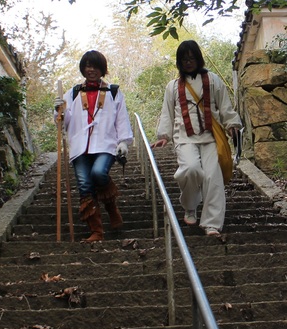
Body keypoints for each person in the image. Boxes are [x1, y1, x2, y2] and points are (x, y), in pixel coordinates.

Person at [151, 40, 241, 237]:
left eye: (191, 58)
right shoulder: (172, 86)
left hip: (210, 138)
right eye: (184, 59)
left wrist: (232, 125)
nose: (188, 62)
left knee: (212, 178)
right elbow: (167, 112)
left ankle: (212, 224)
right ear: (179, 62)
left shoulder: (214, 80)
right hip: (184, 138)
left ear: (198, 59)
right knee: (190, 169)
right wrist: (164, 136)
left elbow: (224, 107)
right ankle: (190, 206)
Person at [55, 50, 133, 242]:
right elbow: (63, 122)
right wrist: (59, 110)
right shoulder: (73, 92)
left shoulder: (113, 91)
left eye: (95, 66)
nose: (91, 69)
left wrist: (123, 141)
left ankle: (111, 207)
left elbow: (121, 118)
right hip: (80, 146)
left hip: (105, 144)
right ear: (83, 68)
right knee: (84, 186)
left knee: (99, 173)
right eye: (87, 66)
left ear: (102, 69)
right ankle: (97, 231)